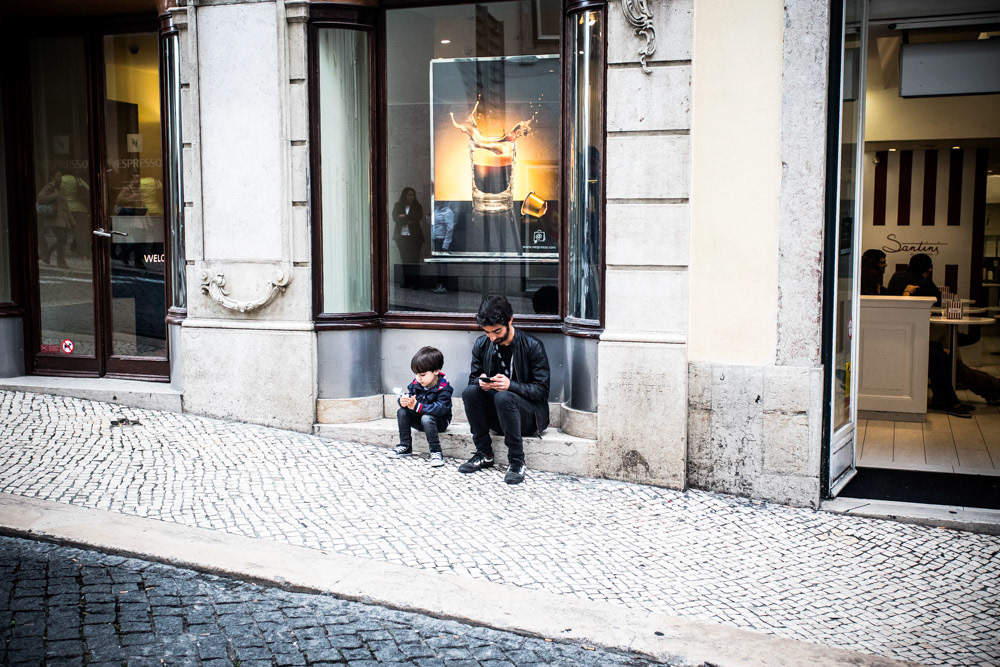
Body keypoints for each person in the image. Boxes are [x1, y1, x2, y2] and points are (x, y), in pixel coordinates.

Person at [459, 295, 550, 485]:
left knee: (504, 397)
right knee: (470, 392)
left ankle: (517, 460)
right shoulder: (482, 344)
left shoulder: (533, 346)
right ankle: (484, 453)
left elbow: (541, 391)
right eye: (487, 332)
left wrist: (511, 385)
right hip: (498, 415)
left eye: (497, 331)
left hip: (528, 417)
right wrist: (480, 382)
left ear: (510, 320)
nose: (492, 337)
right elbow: (472, 379)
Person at [392, 346, 453, 467]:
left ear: (436, 371)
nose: (418, 378)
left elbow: (440, 409)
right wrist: (404, 401)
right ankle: (405, 445)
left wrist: (418, 407)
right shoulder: (416, 384)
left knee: (427, 417)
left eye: (423, 375)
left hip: (439, 422)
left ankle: (436, 451)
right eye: (416, 374)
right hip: (420, 418)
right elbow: (410, 396)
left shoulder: (444, 388)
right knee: (402, 412)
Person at [36, 169, 73, 268]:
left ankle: (47, 255)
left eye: (60, 176)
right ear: (52, 177)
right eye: (57, 176)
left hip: (62, 219)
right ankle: (60, 261)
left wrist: (71, 221)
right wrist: (54, 195)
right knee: (62, 239)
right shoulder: (49, 187)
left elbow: (65, 206)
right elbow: (40, 198)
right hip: (53, 218)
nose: (59, 178)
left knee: (63, 240)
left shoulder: (60, 189)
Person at [392, 187, 424, 289]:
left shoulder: (417, 206)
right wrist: (407, 219)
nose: (411, 197)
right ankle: (407, 282)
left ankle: (416, 283)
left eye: (413, 195)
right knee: (405, 260)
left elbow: (417, 217)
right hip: (401, 237)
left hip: (414, 238)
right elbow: (395, 218)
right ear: (404, 196)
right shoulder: (398, 205)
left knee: (414, 260)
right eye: (409, 195)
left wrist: (403, 217)